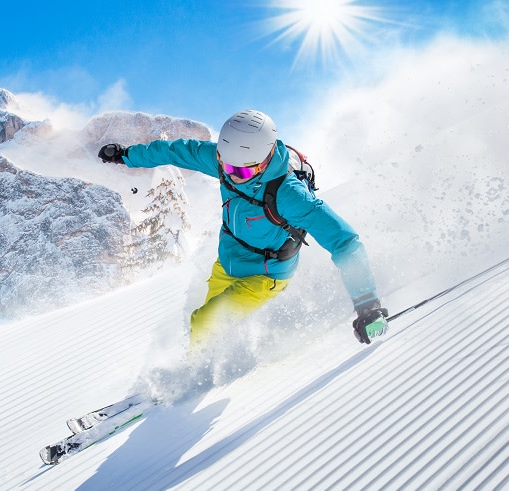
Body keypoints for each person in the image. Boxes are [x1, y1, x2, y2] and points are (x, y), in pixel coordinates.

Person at [98, 109, 388, 348]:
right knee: (206, 323)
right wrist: (127, 155)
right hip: (227, 262)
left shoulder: (289, 194)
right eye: (227, 166)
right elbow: (177, 151)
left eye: (244, 171)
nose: (234, 176)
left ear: (266, 158)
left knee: (205, 321)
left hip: (265, 275)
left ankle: (192, 377)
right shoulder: (226, 163)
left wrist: (367, 304)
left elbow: (344, 242)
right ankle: (207, 358)